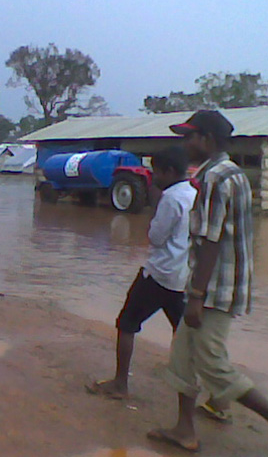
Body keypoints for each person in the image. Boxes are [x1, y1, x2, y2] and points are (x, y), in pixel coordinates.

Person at [147, 110, 268, 452]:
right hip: (218, 283)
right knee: (183, 357)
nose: (185, 143)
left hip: (215, 288)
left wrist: (197, 295)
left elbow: (211, 240)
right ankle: (184, 430)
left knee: (212, 364)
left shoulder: (216, 178)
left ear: (207, 139)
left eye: (190, 136)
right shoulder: (228, 174)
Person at [86, 146, 196, 400]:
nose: (153, 176)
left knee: (127, 323)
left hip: (159, 274)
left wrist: (156, 204)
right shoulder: (192, 195)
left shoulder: (170, 199)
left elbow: (156, 238)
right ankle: (205, 392)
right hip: (182, 277)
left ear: (168, 172)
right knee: (185, 334)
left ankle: (120, 383)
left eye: (156, 171)